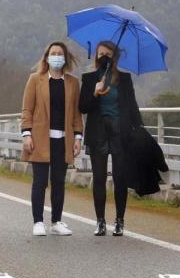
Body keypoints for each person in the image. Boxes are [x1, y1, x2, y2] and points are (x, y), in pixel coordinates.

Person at [80, 40, 142, 237]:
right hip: (98, 132)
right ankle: (100, 221)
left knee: (119, 178)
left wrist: (139, 129)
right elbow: (83, 107)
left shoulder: (124, 79)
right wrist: (95, 93)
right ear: (96, 56)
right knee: (99, 178)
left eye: (108, 53)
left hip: (120, 132)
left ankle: (119, 220)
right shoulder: (90, 78)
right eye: (100, 54)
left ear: (115, 57)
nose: (104, 57)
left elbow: (132, 105)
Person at [21, 41, 83, 237]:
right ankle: (38, 221)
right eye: (53, 53)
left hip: (63, 140)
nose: (56, 56)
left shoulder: (73, 82)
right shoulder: (35, 79)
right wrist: (26, 133)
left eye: (60, 53)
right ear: (46, 57)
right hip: (39, 138)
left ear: (65, 57)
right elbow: (27, 109)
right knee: (39, 181)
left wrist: (78, 137)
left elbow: (76, 114)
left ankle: (56, 221)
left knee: (59, 181)